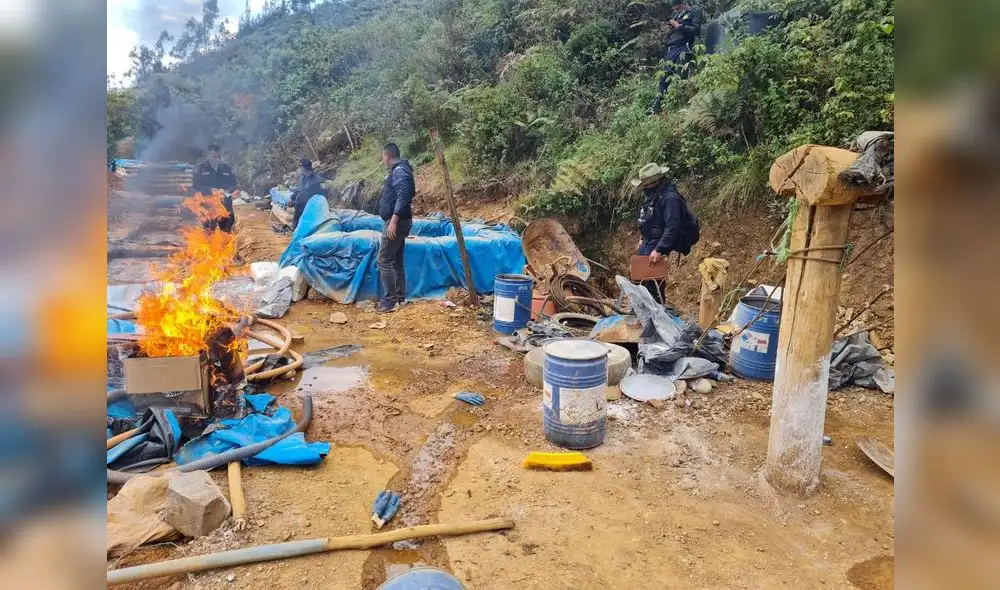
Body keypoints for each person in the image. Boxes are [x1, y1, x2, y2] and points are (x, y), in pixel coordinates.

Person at [632, 162, 698, 303]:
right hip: (650, 240)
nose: (643, 187)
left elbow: (672, 227)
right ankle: (643, 307)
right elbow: (649, 219)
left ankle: (657, 309)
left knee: (652, 280)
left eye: (645, 184)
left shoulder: (670, 198)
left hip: (659, 242)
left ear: (655, 182)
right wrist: (643, 237)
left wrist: (659, 249)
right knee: (639, 275)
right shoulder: (654, 194)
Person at [375, 143, 415, 313]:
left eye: (383, 156)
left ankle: (390, 301)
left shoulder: (399, 171)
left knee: (383, 259)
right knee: (396, 261)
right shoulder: (399, 170)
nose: (382, 160)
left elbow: (404, 194)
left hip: (396, 222)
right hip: (399, 220)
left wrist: (393, 220)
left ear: (388, 156)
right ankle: (399, 297)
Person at [650, 0, 704, 114]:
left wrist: (680, 26)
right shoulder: (676, 16)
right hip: (671, 49)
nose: (675, 9)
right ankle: (656, 107)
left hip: (684, 47)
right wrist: (670, 29)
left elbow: (696, 30)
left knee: (680, 77)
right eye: (674, 8)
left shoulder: (695, 12)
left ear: (683, 3)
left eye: (677, 7)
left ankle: (679, 109)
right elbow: (673, 32)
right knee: (664, 78)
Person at [192, 144, 238, 232]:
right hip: (208, 203)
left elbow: (233, 184)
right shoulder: (200, 168)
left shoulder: (226, 168)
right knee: (209, 229)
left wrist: (228, 191)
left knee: (226, 229)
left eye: (217, 156)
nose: (215, 158)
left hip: (224, 203)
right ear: (208, 155)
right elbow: (196, 186)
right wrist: (211, 190)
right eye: (212, 156)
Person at [289, 158, 327, 230]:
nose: (299, 170)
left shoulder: (318, 180)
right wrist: (292, 198)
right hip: (298, 207)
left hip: (309, 209)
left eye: (300, 168)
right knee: (295, 227)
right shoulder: (302, 177)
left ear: (304, 168)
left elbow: (323, 194)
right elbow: (299, 189)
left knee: (305, 228)